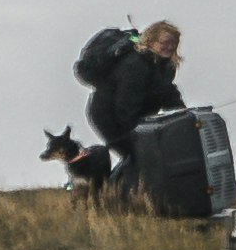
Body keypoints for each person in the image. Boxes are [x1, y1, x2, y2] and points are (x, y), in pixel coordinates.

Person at [75, 20, 184, 197]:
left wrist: (182, 113)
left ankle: (127, 195)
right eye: (164, 42)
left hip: (135, 117)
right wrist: (135, 134)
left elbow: (166, 91)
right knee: (136, 156)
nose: (169, 46)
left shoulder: (165, 66)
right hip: (108, 115)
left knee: (143, 156)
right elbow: (125, 106)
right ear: (151, 40)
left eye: (173, 43)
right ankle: (115, 196)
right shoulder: (136, 65)